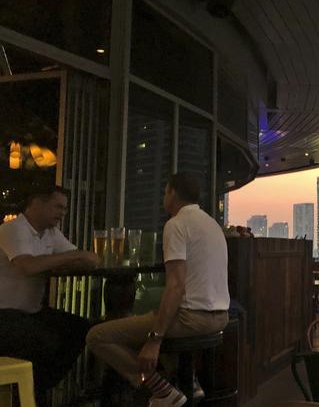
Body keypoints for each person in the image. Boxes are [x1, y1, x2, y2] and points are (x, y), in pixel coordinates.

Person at [87, 173, 230, 407]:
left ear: (172, 192)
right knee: (151, 318)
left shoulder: (176, 224)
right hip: (219, 317)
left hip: (192, 318)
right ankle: (187, 379)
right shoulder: (211, 224)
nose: (164, 198)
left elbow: (175, 285)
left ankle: (162, 390)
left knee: (97, 336)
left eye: (165, 192)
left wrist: (154, 341)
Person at [0, 184, 100, 402]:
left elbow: (88, 260)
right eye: (58, 207)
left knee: (82, 329)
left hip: (31, 312)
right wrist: (67, 259)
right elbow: (27, 266)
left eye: (65, 208)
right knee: (46, 341)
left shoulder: (50, 233)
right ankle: (29, 393)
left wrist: (70, 259)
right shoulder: (13, 229)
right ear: (36, 203)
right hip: (4, 313)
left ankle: (36, 389)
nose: (63, 213)